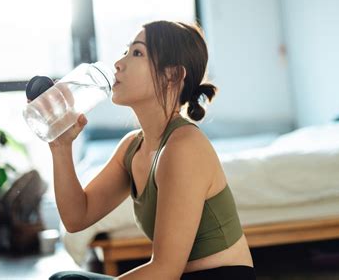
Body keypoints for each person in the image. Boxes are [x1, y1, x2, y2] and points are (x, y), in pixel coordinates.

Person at [48, 21, 256, 280]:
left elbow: (165, 270)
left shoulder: (183, 146)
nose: (118, 63)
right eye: (126, 52)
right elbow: (76, 218)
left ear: (172, 75)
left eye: (136, 53)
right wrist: (60, 145)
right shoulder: (133, 147)